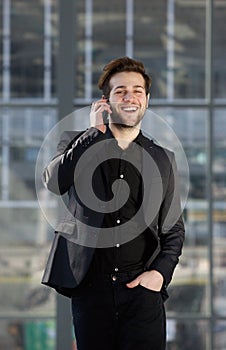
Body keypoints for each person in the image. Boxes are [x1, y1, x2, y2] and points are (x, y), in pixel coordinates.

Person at [42, 56, 185, 350]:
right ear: (105, 101)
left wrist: (158, 276)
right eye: (120, 91)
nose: (130, 97)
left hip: (142, 293)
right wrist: (94, 134)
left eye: (137, 90)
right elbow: (54, 182)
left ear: (147, 99)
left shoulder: (163, 159)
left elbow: (173, 229)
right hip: (91, 291)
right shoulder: (76, 143)